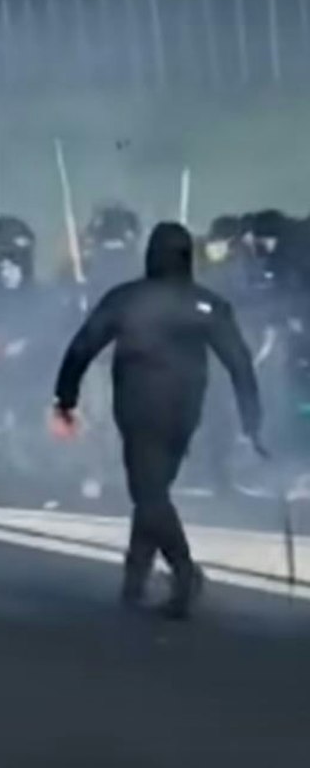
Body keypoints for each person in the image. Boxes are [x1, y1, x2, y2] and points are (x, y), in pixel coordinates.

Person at [53, 223, 263, 619]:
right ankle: (134, 580)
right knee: (153, 488)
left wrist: (66, 397)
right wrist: (252, 418)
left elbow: (83, 346)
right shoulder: (208, 305)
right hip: (185, 412)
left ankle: (184, 572)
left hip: (137, 408)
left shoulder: (127, 299)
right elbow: (239, 363)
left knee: (148, 492)